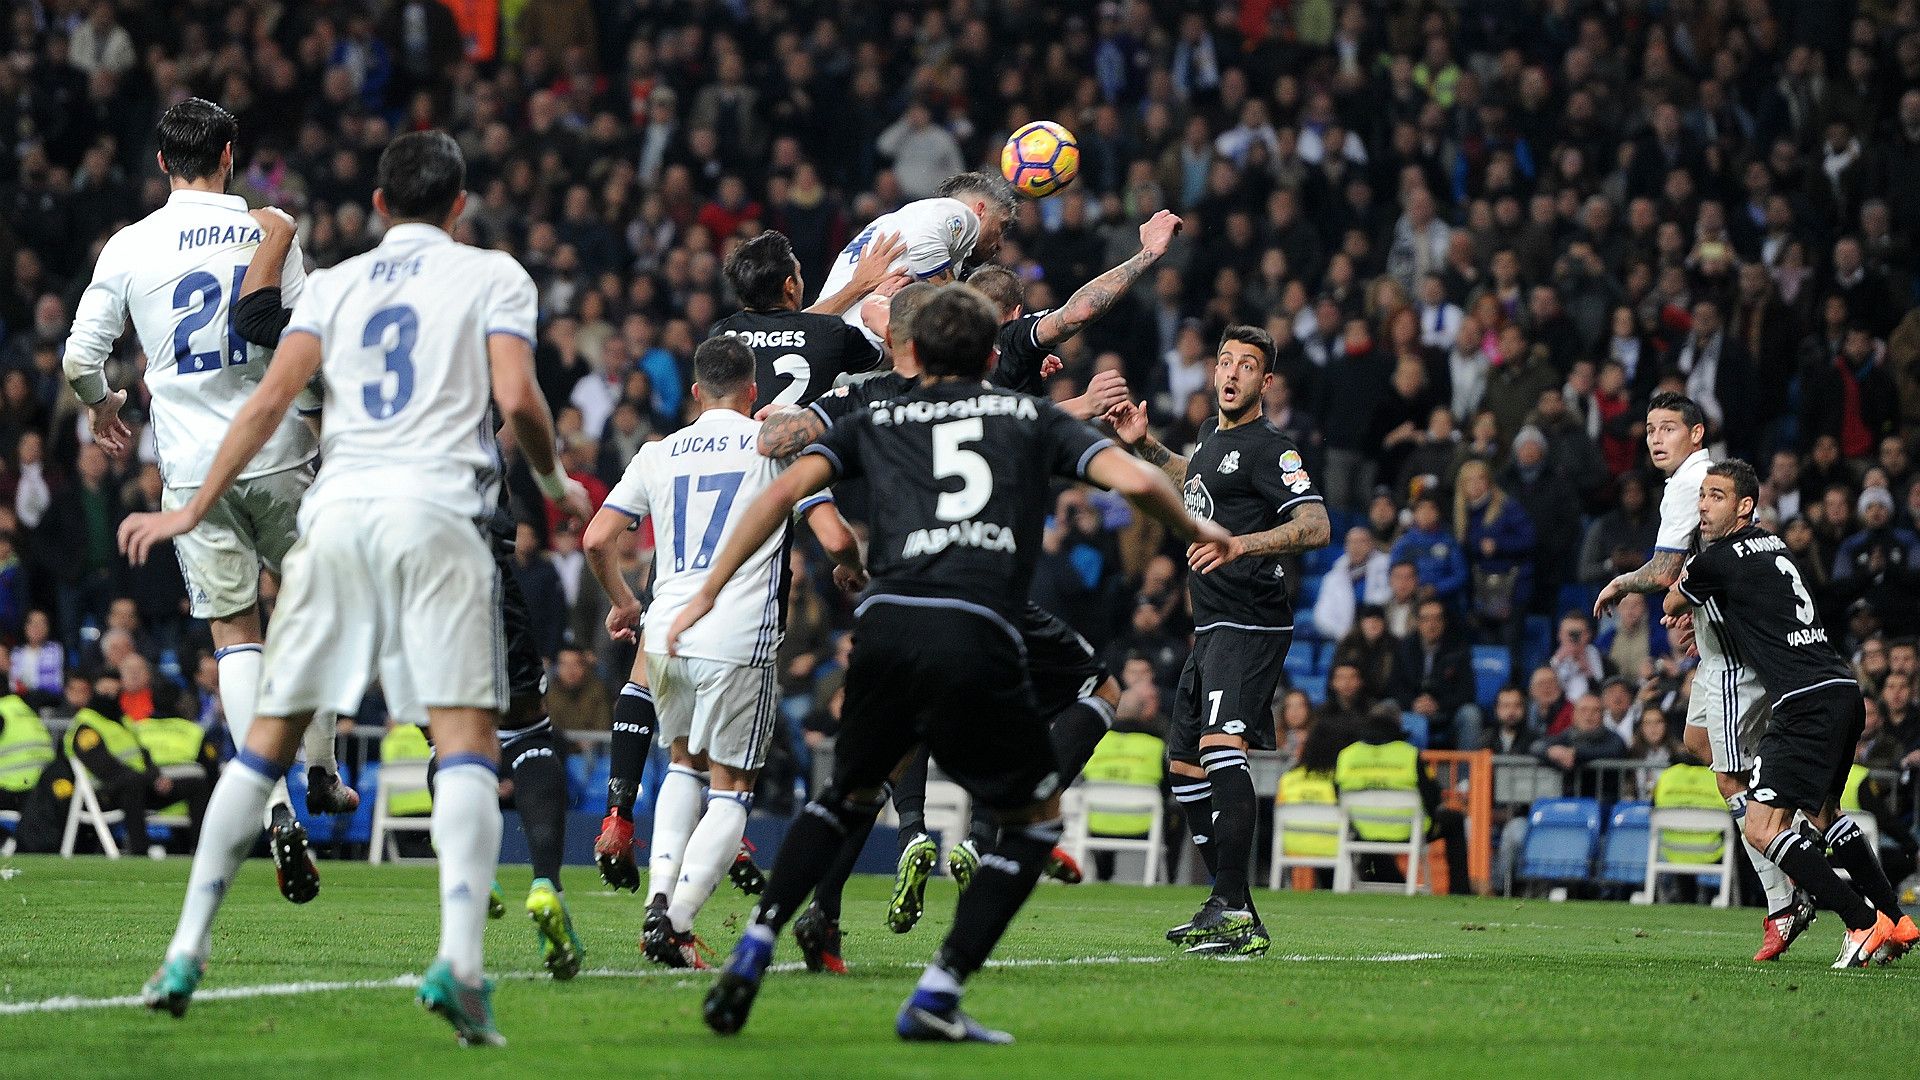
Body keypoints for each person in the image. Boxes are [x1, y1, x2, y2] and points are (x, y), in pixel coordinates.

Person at [121, 130, 587, 1045]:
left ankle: (184, 950)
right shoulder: (494, 276)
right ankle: (458, 967)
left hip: (336, 514)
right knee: (463, 745)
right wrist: (557, 480)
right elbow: (522, 401)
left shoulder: (331, 287)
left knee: (261, 748)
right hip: (440, 518)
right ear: (459, 205)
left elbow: (264, 407)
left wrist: (190, 509)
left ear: (377, 207)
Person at [680, 283, 1223, 1042]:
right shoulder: (1026, 414)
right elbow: (1132, 479)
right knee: (1034, 824)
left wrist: (708, 589)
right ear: (993, 355)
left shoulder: (878, 412)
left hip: (884, 623)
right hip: (975, 627)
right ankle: (937, 993)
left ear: (916, 353)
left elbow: (782, 492)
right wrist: (1203, 528)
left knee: (841, 796)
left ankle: (757, 944)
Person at [59, 98, 351, 902]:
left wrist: (104, 403)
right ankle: (321, 768)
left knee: (235, 638)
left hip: (190, 472)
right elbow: (303, 342)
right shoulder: (270, 228)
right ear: (231, 153)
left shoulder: (130, 244)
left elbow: (81, 359)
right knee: (313, 607)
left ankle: (277, 803)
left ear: (161, 163)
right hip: (280, 451)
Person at [581, 334, 864, 969]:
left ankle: (659, 901)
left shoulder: (657, 452)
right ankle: (674, 923)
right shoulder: (775, 448)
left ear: (694, 392)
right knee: (730, 788)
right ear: (754, 391)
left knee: (682, 766)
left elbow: (597, 538)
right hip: (736, 637)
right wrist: (852, 567)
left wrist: (626, 602)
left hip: (667, 635)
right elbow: (831, 532)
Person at [1108, 323, 1332, 954]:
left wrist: (1242, 544)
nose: (1232, 373)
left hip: (1250, 619)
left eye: (1247, 365)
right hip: (1209, 625)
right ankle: (1235, 907)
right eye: (1225, 361)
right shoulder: (1212, 438)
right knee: (1181, 767)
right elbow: (1195, 478)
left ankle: (1230, 903)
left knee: (1221, 750)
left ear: (1266, 381)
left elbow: (1316, 524)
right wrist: (1144, 447)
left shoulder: (1271, 447)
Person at [1668, 459, 1915, 968]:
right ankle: (1896, 918)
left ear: (1744, 507)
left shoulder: (1719, 556)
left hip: (1802, 701)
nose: (1704, 506)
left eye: (1716, 497)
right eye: (1702, 496)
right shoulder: (1774, 546)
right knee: (1825, 813)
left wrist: (1646, 586)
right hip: (1842, 688)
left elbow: (1673, 595)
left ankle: (1860, 922)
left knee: (1760, 825)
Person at [813, 172, 1018, 347]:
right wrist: (959, 310)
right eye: (1001, 226)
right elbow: (925, 250)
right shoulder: (960, 213)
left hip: (831, 345)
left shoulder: (894, 221)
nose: (1000, 243)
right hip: (857, 346)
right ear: (980, 210)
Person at [709, 229, 902, 410]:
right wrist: (879, 310)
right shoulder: (831, 333)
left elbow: (788, 324)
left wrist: (856, 288)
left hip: (733, 442)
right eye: (798, 273)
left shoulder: (720, 336)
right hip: (806, 443)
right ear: (790, 285)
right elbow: (901, 356)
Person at [1334, 705, 1472, 895]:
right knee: (1454, 821)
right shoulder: (1408, 753)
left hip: (1362, 830)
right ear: (1397, 725)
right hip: (1407, 830)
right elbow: (1433, 797)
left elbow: (1337, 794)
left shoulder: (1346, 755)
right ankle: (1460, 891)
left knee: (1370, 838)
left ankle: (1384, 883)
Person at [1391, 599, 1482, 750]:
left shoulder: (1459, 648)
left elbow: (1467, 692)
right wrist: (1414, 703)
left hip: (1446, 714)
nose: (1432, 624)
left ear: (1444, 622)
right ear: (1418, 622)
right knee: (1386, 707)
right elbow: (1394, 686)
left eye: (1437, 619)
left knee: (1470, 714)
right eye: (1426, 619)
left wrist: (1438, 705)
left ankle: (1466, 773)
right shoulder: (1404, 648)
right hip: (1412, 710)